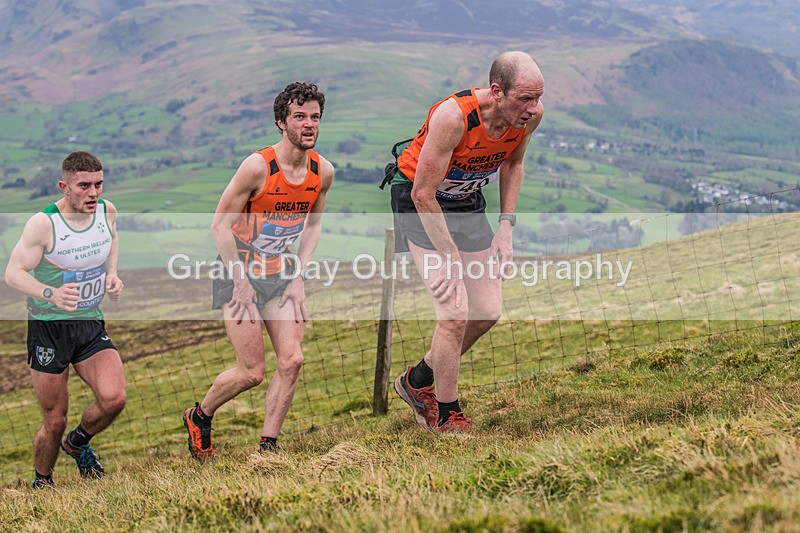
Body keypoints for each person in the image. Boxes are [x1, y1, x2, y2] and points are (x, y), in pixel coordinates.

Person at [385, 51, 544, 432]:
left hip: (466, 201)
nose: (533, 108)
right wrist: (450, 255)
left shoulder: (530, 117)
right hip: (419, 200)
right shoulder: (454, 117)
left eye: (538, 97)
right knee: (454, 313)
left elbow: (512, 163)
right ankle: (446, 412)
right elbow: (424, 193)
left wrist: (506, 225)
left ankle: (416, 380)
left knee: (486, 310)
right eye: (525, 98)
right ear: (496, 91)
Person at [182, 82, 334, 461]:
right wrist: (240, 281)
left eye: (315, 117)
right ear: (281, 122)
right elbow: (219, 225)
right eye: (300, 117)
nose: (309, 124)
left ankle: (268, 448)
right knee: (251, 372)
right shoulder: (257, 167)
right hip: (238, 271)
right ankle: (200, 415)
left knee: (293, 359)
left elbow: (313, 226)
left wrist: (299, 275)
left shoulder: (323, 172)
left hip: (281, 271)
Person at [4, 151, 126, 488]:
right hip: (48, 330)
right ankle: (43, 481)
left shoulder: (106, 211)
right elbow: (13, 274)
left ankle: (77, 442)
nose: (93, 193)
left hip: (89, 323)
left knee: (114, 399)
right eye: (84, 185)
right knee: (54, 420)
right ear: (65, 186)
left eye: (98, 184)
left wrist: (112, 275)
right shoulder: (43, 224)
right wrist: (49, 293)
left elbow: (111, 238)